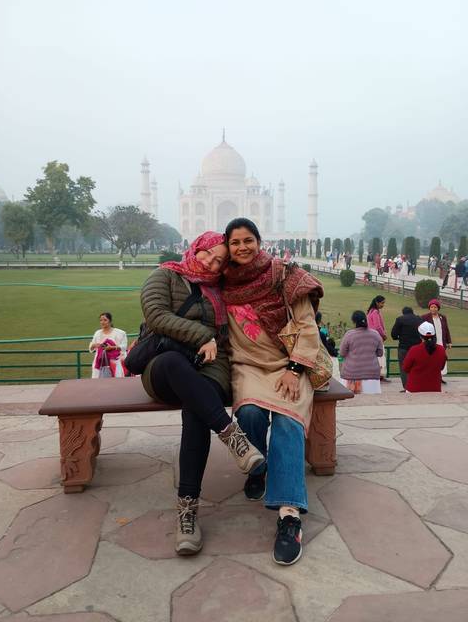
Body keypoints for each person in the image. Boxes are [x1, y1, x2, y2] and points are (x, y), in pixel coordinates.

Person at [140, 231, 264, 556]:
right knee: (172, 363)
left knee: (196, 410)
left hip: (211, 367)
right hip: (164, 366)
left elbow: (261, 285)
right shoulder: (164, 275)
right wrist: (202, 335)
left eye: (219, 260)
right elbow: (156, 316)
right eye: (208, 253)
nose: (211, 261)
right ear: (196, 247)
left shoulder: (222, 288)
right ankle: (233, 437)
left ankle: (187, 512)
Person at [222, 218, 323, 566]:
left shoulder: (284, 275)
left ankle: (289, 514)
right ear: (228, 247)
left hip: (288, 363)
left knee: (287, 423)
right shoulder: (222, 282)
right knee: (248, 414)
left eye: (248, 240)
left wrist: (295, 369)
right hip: (249, 365)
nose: (242, 248)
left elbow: (307, 325)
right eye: (235, 243)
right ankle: (259, 469)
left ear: (259, 241)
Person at [339, 310, 384, 394]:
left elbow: (342, 353)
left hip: (351, 373)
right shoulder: (375, 334)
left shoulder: (349, 335)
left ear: (353, 321)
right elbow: (380, 353)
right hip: (372, 374)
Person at [403, 322, 447, 392]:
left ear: (420, 336)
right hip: (434, 388)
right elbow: (441, 367)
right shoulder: (441, 349)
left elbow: (405, 368)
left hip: (414, 388)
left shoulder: (414, 350)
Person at [390, 307, 422, 391]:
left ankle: (407, 387)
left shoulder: (400, 319)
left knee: (404, 367)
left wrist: (398, 337)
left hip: (404, 347)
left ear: (403, 312)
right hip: (417, 347)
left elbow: (393, 334)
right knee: (416, 366)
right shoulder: (419, 319)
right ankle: (417, 385)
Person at [421, 299, 452, 384]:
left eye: (435, 307)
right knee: (431, 361)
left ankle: (439, 377)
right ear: (429, 308)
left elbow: (446, 330)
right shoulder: (424, 317)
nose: (433, 309)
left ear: (438, 308)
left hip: (441, 342)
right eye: (431, 307)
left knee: (441, 360)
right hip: (431, 344)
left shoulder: (443, 317)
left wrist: (449, 341)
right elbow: (421, 330)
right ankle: (430, 377)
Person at [89, 312, 127, 378]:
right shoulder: (97, 333)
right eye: (101, 320)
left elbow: (124, 347)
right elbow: (91, 347)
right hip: (99, 363)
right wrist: (95, 345)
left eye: (105, 320)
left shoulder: (120, 333)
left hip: (115, 363)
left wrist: (112, 347)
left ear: (110, 321)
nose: (102, 322)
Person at [367, 295, 388, 380]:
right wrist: (384, 335)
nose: (383, 305)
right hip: (377, 338)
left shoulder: (370, 311)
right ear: (377, 302)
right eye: (382, 303)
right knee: (380, 357)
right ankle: (380, 376)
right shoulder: (375, 312)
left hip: (371, 338)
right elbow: (377, 326)